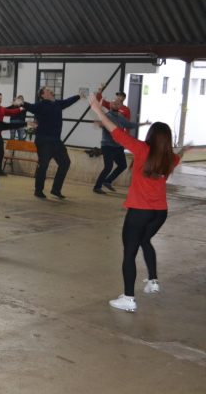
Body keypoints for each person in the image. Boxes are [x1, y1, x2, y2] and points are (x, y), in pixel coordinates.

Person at [88, 94, 188, 312]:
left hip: (140, 212)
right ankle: (153, 281)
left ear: (151, 136)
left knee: (129, 253)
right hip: (160, 213)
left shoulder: (142, 149)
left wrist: (97, 109)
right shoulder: (170, 158)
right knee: (145, 241)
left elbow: (115, 130)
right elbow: (178, 156)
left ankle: (128, 298)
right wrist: (185, 149)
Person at [22, 88, 83, 199]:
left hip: (56, 141)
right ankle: (38, 190)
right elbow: (31, 107)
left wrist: (78, 96)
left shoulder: (57, 104)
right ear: (42, 95)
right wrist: (22, 103)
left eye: (51, 90)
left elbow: (68, 101)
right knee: (43, 165)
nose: (51, 91)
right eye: (48, 90)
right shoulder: (40, 105)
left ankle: (56, 190)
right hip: (44, 140)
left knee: (65, 163)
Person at [92, 101, 148, 194]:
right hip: (107, 146)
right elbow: (103, 124)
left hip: (118, 146)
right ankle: (97, 187)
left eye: (118, 104)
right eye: (114, 103)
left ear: (120, 106)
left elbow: (129, 125)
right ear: (110, 105)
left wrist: (143, 123)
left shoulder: (120, 117)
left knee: (122, 165)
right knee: (108, 167)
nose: (116, 105)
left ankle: (108, 181)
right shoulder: (107, 116)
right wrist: (100, 124)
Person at [0, 92, 23, 176]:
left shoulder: (2, 109)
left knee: (1, 152)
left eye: (0, 99)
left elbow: (12, 112)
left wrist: (21, 108)